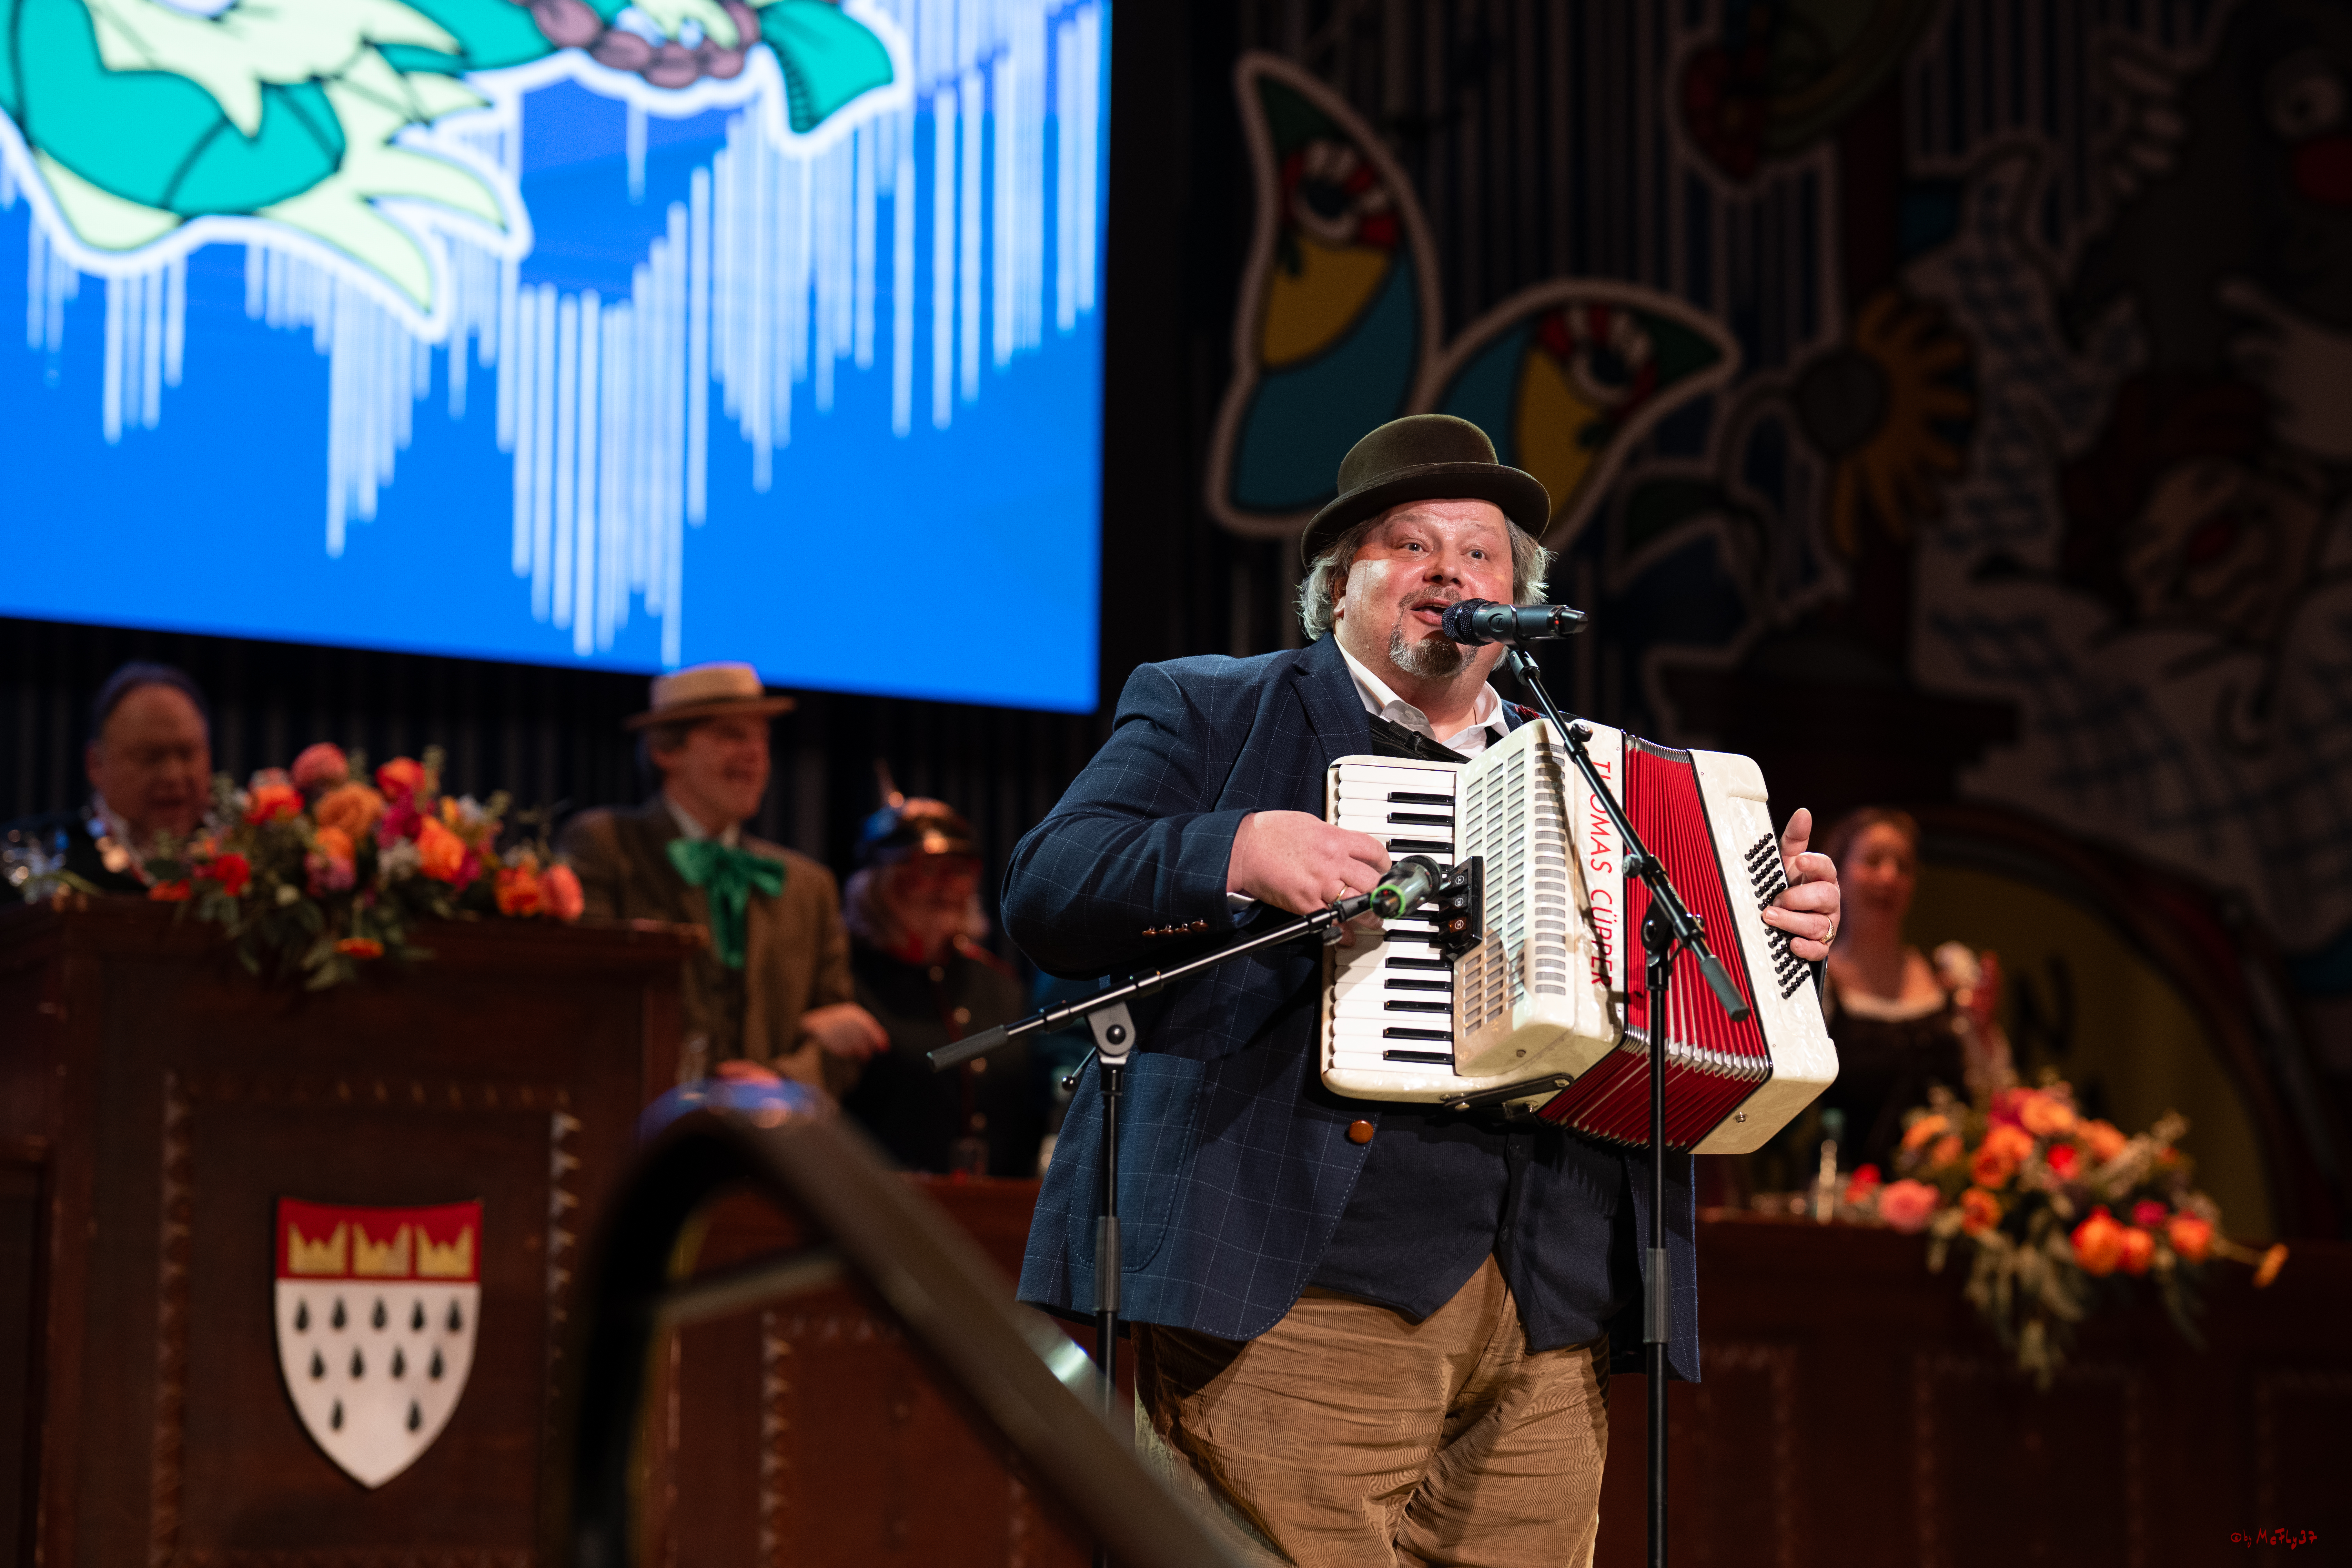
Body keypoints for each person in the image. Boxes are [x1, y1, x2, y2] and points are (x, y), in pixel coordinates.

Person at [1001, 414, 1842, 1567]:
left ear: (1516, 599)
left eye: (1482, 552)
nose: (1451, 568)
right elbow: (1048, 884)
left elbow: (1680, 991)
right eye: (1410, 543)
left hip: (1550, 1307)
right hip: (1299, 1292)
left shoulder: (1601, 770)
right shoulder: (1210, 707)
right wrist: (1235, 850)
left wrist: (1775, 922)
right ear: (1339, 586)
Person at [560, 662, 886, 1089]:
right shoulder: (607, 847)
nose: (755, 754)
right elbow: (583, 999)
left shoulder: (808, 886)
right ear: (665, 749)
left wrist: (778, 1082)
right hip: (640, 1132)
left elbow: (841, 1040)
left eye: (763, 738)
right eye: (732, 734)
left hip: (763, 1143)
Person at [837, 786, 1040, 1176]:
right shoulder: (842, 977)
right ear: (876, 884)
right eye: (926, 869)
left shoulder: (999, 983)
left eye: (960, 870)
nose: (946, 886)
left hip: (993, 1213)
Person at [1815, 807, 2013, 1171]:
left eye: (1902, 866)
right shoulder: (1817, 985)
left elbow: (1996, 1098)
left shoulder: (1950, 977)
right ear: (1837, 873)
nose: (1888, 876)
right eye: (1873, 861)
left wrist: (1982, 1032)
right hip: (1847, 1206)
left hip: (1948, 1204)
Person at [3, 661, 214, 894]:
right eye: (149, 757)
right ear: (95, 764)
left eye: (187, 753)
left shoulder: (248, 859)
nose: (174, 776)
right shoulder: (28, 860)